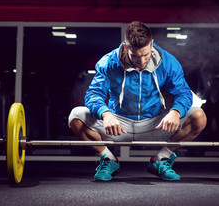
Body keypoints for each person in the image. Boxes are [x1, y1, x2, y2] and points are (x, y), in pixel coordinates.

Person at [69, 21, 207, 181]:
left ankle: (161, 160)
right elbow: (93, 94)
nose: (141, 61)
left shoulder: (168, 62)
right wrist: (106, 114)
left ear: (152, 44)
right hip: (119, 125)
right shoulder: (108, 62)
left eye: (145, 55)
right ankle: (108, 159)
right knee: (76, 117)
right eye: (135, 56)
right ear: (126, 48)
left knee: (199, 117)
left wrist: (176, 112)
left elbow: (183, 93)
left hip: (155, 123)